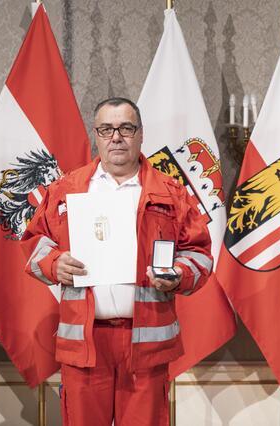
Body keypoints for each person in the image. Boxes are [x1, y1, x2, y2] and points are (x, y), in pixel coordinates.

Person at [21, 97, 212, 426]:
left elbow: (200, 254)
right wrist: (54, 264)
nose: (117, 137)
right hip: (85, 343)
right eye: (107, 129)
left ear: (140, 134)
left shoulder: (172, 193)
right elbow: (33, 245)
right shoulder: (66, 191)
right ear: (96, 135)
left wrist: (178, 274)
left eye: (126, 128)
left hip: (147, 343)